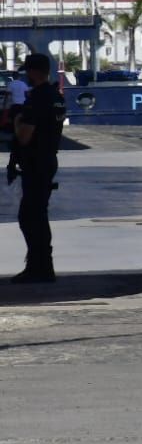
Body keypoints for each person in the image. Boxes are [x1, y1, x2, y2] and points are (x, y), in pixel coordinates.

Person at [8, 53, 65, 283]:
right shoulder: (56, 96)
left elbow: (24, 136)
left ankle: (38, 267)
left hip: (36, 163)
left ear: (33, 72)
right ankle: (42, 265)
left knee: (30, 217)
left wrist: (16, 120)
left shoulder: (37, 99)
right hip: (48, 160)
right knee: (38, 215)